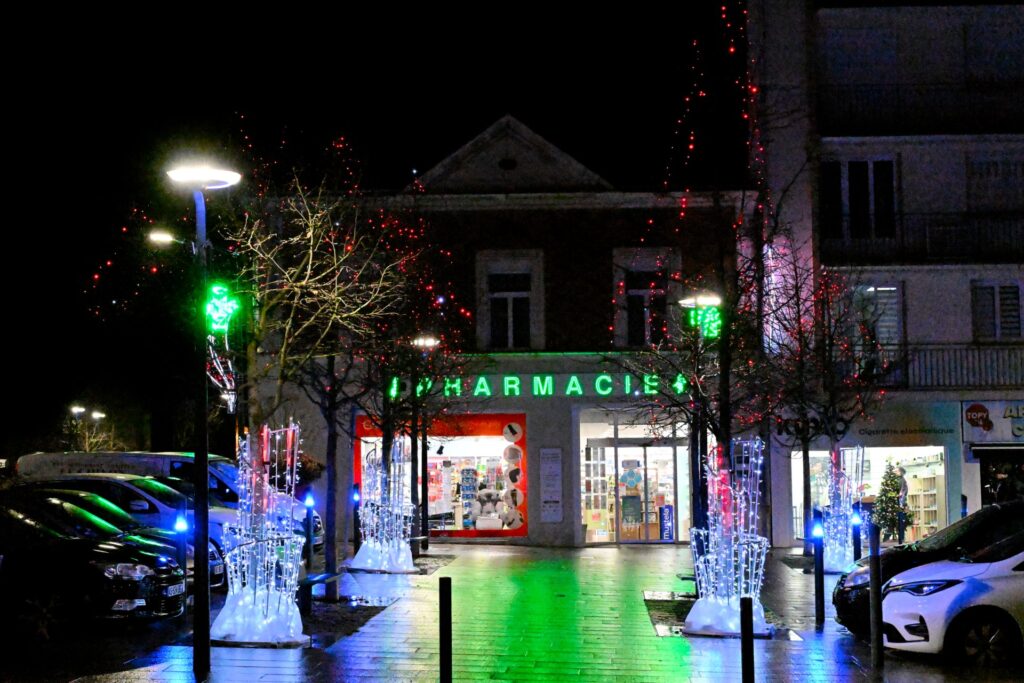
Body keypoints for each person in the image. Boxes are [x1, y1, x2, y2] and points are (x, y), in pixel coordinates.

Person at [896, 467, 909, 544]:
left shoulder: (901, 480)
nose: (895, 472)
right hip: (900, 503)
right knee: (900, 523)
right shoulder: (900, 480)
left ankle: (901, 539)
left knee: (901, 522)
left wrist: (899, 495)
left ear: (901, 472)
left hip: (900, 504)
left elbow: (903, 492)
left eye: (897, 471)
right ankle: (901, 539)